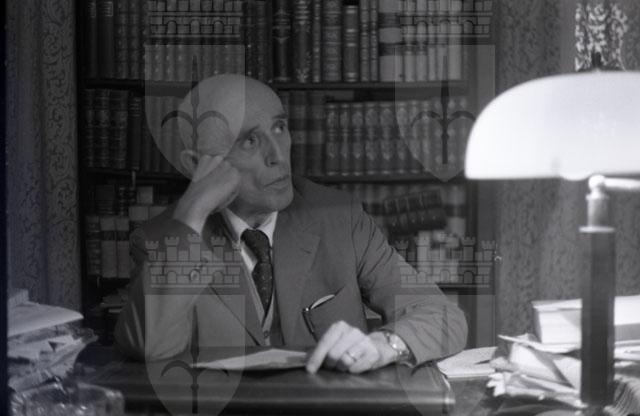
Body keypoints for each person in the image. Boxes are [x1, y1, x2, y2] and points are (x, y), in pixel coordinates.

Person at [115, 74, 467, 374]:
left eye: (279, 128)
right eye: (250, 141)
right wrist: (192, 213)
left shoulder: (340, 217)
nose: (278, 155)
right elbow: (150, 347)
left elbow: (443, 316)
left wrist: (385, 344)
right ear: (197, 165)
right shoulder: (161, 239)